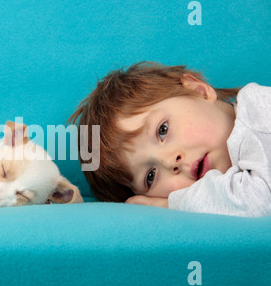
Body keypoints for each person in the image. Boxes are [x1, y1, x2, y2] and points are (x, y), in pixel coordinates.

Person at [69, 61, 271, 217]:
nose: (168, 161)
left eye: (162, 130)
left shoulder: (257, 113)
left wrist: (169, 204)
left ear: (197, 90)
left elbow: (259, 201)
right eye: (150, 176)